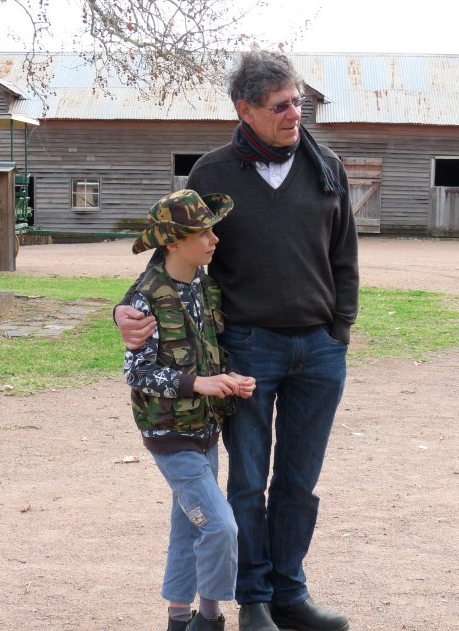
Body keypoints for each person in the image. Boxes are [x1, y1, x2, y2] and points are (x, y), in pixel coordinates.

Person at [116, 51, 359, 631]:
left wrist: (340, 329)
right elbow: (170, 257)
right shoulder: (212, 175)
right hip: (248, 348)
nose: (294, 113)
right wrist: (125, 308)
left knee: (298, 482)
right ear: (244, 110)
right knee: (247, 482)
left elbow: (344, 257)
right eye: (280, 105)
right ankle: (251, 601)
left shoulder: (327, 169)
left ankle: (288, 596)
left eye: (298, 100)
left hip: (320, 352)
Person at [123, 188, 256, 631]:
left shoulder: (203, 284)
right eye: (204, 232)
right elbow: (138, 373)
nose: (215, 239)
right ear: (174, 241)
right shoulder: (146, 295)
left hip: (206, 430)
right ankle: (211, 618)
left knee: (189, 527)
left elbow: (208, 350)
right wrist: (199, 383)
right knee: (219, 528)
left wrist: (229, 379)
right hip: (170, 436)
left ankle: (179, 618)